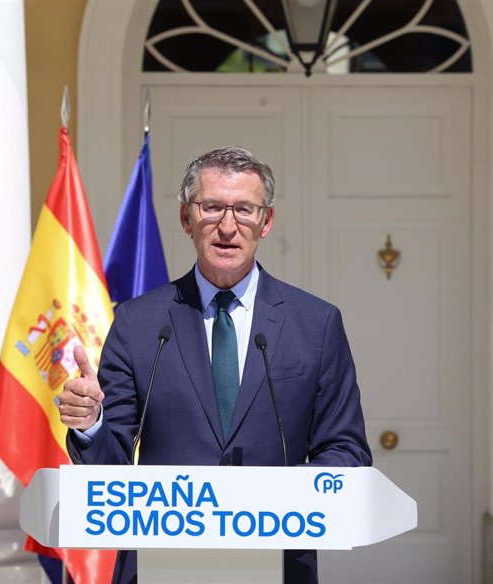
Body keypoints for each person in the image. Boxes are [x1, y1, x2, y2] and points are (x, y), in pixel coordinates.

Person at [58, 146, 372, 584]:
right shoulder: (139, 323)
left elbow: (346, 451)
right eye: (212, 208)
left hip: (278, 562)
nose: (228, 226)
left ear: (267, 221)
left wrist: (275, 501)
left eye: (245, 209)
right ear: (187, 219)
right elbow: (111, 466)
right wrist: (91, 422)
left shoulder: (316, 324)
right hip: (159, 563)